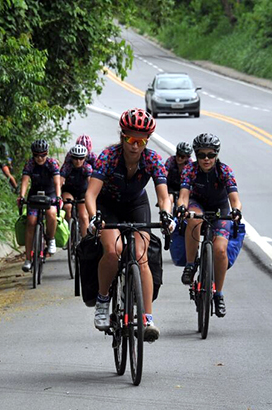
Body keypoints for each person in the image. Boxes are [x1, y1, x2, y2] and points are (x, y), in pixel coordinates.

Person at [85, 108, 174, 343]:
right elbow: (91, 195)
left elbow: (164, 197)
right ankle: (103, 300)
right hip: (108, 204)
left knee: (140, 255)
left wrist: (166, 215)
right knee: (114, 251)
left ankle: (147, 319)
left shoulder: (152, 159)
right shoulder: (108, 156)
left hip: (136, 204)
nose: (135, 145)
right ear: (122, 135)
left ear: (147, 141)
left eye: (141, 140)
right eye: (130, 139)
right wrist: (94, 217)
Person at [176, 133, 242, 318]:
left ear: (217, 155)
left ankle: (218, 294)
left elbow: (235, 200)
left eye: (210, 155)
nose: (206, 159)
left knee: (220, 250)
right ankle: (190, 265)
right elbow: (183, 195)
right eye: (201, 155)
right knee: (194, 218)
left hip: (220, 207)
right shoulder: (190, 169)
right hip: (197, 203)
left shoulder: (224, 171)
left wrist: (236, 211)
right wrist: (181, 207)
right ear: (196, 155)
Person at [18, 139, 62, 272]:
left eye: (42, 155)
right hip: (35, 195)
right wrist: (21, 196)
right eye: (36, 155)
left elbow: (57, 182)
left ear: (47, 154)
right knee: (31, 222)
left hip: (50, 193)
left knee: (51, 214)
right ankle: (27, 259)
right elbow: (25, 181)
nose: (39, 158)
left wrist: (58, 196)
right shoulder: (30, 164)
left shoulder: (52, 163)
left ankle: (51, 239)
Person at [61, 144, 92, 237]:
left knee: (83, 216)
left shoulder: (87, 167)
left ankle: (85, 242)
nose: (78, 161)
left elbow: (91, 183)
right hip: (69, 190)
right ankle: (68, 230)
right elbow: (59, 181)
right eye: (75, 158)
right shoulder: (67, 167)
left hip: (82, 191)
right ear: (71, 158)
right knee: (67, 207)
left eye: (81, 158)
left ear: (85, 158)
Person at [165, 142, 193, 206]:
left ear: (187, 157)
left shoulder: (190, 164)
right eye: (178, 155)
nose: (179, 158)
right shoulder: (171, 160)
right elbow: (165, 173)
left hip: (184, 186)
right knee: (170, 198)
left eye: (182, 157)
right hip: (171, 185)